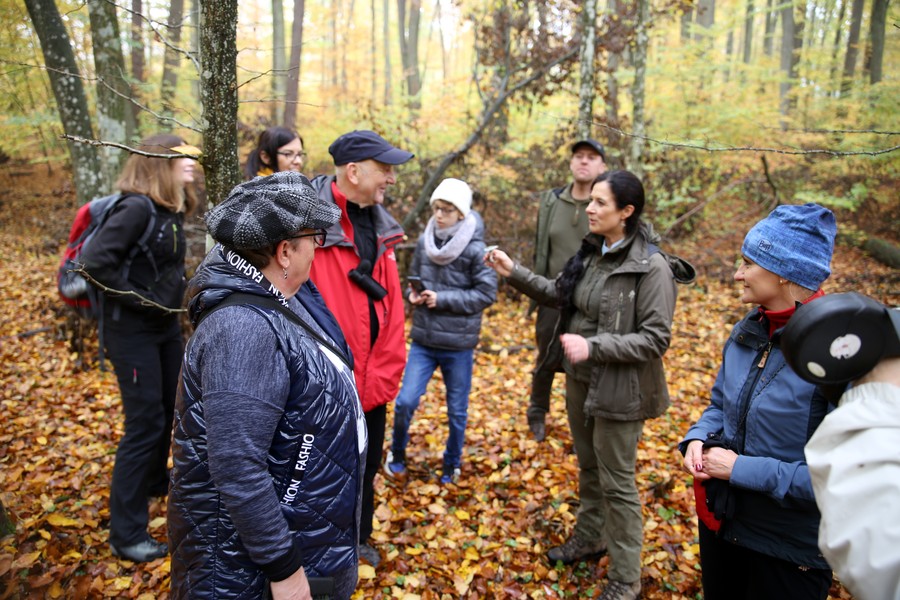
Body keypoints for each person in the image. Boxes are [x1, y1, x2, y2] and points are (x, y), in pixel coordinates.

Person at [486, 170, 691, 600]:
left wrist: (594, 345)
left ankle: (625, 578)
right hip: (580, 382)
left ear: (627, 212)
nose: (589, 209)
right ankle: (591, 536)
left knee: (618, 482)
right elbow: (560, 293)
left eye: (600, 203)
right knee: (589, 468)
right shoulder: (594, 252)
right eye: (590, 201)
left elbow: (656, 339)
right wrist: (514, 271)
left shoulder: (651, 267)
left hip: (620, 390)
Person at [167, 172, 364, 600]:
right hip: (248, 577)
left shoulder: (282, 301)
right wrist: (284, 570)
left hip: (305, 540)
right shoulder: (242, 328)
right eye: (316, 238)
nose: (320, 249)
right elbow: (237, 465)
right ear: (285, 251)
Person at [679, 203, 838, 600]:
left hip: (788, 546)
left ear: (784, 272)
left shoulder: (839, 353)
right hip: (723, 522)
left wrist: (740, 470)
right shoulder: (750, 329)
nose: (737, 274)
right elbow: (719, 403)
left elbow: (842, 477)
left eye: (748, 263)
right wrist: (698, 438)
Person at [81, 133, 200, 562]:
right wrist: (144, 302)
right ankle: (126, 533)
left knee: (171, 407)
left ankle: (154, 483)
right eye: (183, 158)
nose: (192, 163)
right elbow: (93, 264)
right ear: (158, 163)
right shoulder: (135, 209)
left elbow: (163, 271)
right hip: (131, 332)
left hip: (164, 328)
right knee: (144, 423)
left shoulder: (170, 209)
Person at [307, 130, 414, 568]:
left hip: (372, 382)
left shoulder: (381, 224)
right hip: (323, 383)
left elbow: (391, 309)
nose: (391, 178)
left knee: (366, 467)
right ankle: (317, 551)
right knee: (317, 472)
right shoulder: (308, 223)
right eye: (384, 168)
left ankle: (358, 538)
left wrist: (385, 375)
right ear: (353, 171)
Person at [384, 178, 497, 484]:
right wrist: (415, 294)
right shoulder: (425, 241)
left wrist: (441, 299)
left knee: (457, 411)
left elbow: (487, 294)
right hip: (424, 338)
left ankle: (452, 463)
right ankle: (396, 453)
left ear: (461, 213)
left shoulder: (476, 249)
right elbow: (416, 275)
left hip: (459, 344)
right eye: (436, 208)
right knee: (406, 401)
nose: (440, 215)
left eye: (447, 210)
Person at [528, 139, 608, 441]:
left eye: (591, 157)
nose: (583, 162)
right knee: (546, 356)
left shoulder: (606, 205)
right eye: (578, 157)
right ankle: (537, 412)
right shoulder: (552, 200)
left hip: (590, 299)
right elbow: (542, 248)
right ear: (571, 163)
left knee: (585, 363)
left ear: (602, 166)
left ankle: (583, 423)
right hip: (552, 294)